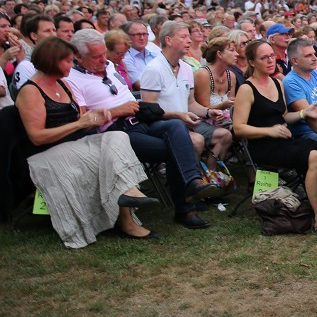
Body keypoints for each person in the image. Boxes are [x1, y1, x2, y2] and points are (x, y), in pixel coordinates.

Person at [66, 29, 220, 229]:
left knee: (175, 126)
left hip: (140, 120)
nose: (103, 59)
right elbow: (84, 120)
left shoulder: (110, 66)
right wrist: (118, 110)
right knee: (177, 148)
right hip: (116, 133)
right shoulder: (72, 79)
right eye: (96, 56)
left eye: (104, 53)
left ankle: (193, 181)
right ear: (78, 56)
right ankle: (185, 208)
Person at [16, 37, 161, 247]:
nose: (72, 64)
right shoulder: (31, 91)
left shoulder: (63, 84)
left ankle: (128, 199)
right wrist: (78, 125)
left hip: (75, 143)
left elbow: (80, 120)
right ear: (51, 61)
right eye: (67, 61)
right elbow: (37, 137)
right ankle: (127, 218)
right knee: (108, 156)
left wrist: (97, 116)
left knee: (118, 137)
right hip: (47, 153)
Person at [233, 40, 317, 237]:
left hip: (284, 140)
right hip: (263, 145)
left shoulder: (277, 83)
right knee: (315, 156)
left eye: (272, 56)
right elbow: (238, 129)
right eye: (264, 58)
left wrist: (305, 113)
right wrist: (270, 131)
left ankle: (315, 200)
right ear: (252, 63)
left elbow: (285, 116)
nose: (271, 60)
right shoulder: (246, 89)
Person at [140, 21, 232, 171]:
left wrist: (209, 112)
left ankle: (211, 177)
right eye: (183, 37)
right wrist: (178, 115)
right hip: (164, 125)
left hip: (186, 123)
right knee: (197, 141)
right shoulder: (153, 69)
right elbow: (150, 110)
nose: (189, 40)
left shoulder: (187, 68)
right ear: (168, 40)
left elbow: (191, 103)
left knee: (225, 136)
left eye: (189, 36)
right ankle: (189, 184)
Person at [193, 37, 239, 115]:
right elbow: (203, 109)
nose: (237, 54)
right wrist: (222, 106)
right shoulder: (203, 75)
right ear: (219, 54)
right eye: (232, 50)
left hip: (226, 121)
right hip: (205, 121)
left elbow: (231, 105)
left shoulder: (231, 76)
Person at [121, 20, 161, 89]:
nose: (142, 38)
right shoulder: (126, 58)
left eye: (144, 34)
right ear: (127, 36)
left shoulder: (155, 55)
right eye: (137, 35)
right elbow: (141, 84)